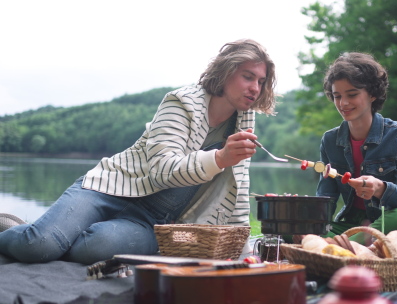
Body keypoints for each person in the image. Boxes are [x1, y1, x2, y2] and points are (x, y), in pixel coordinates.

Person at [0, 39, 277, 265]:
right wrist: (218, 158)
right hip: (107, 189)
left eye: (261, 81)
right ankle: (25, 230)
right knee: (39, 246)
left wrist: (245, 249)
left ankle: (52, 231)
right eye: (248, 77)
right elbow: (161, 169)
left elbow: (236, 189)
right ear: (227, 71)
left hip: (153, 221)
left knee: (91, 250)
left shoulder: (244, 119)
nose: (255, 88)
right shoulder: (181, 102)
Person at [316, 52, 397, 245]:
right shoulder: (330, 140)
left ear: (372, 94)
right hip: (349, 225)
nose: (343, 103)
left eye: (352, 94)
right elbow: (325, 199)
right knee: (290, 229)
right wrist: (305, 220)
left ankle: (338, 248)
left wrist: (381, 188)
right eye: (337, 96)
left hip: (386, 222)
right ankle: (345, 246)